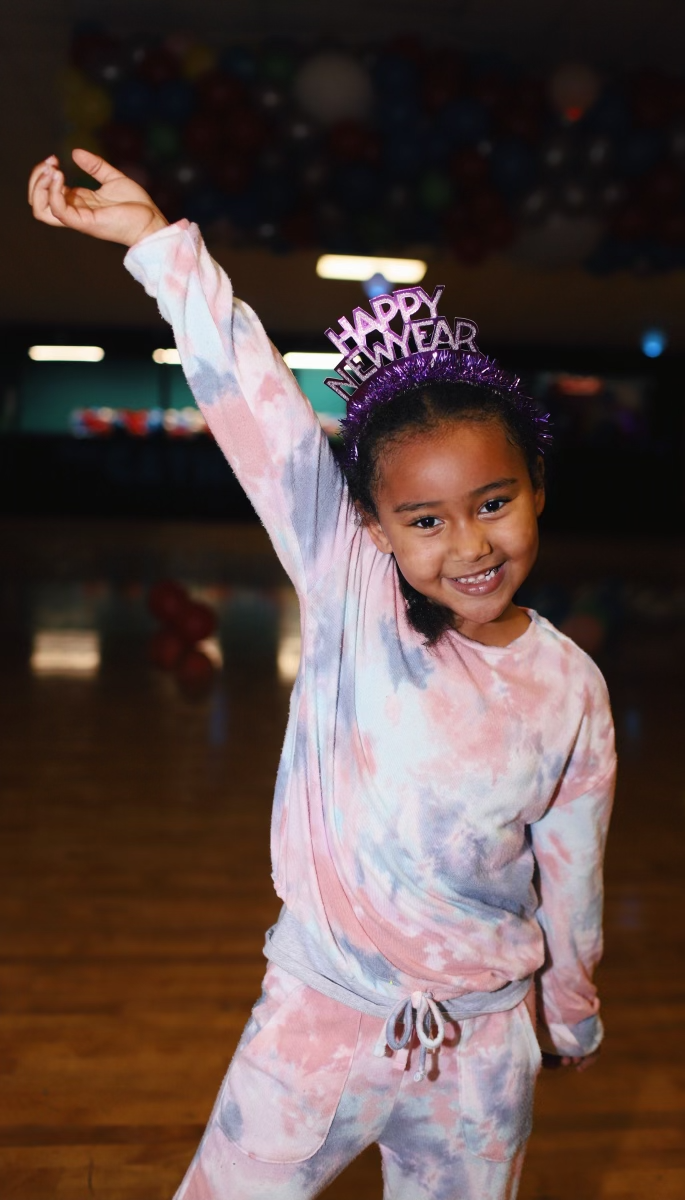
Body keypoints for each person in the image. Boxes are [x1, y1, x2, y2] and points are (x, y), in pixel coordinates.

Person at [28, 149, 617, 1200]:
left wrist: (567, 1010)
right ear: (378, 532)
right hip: (315, 1021)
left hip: (479, 1056)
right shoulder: (351, 587)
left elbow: (571, 872)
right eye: (423, 520)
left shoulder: (570, 688)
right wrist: (161, 249)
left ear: (535, 489)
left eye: (494, 502)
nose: (467, 545)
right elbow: (256, 407)